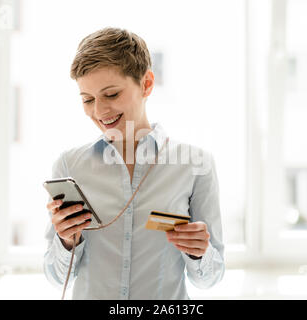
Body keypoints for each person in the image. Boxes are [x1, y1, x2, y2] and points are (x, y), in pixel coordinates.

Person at [44, 27, 224, 300]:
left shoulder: (195, 164)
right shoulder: (70, 166)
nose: (99, 111)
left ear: (147, 84)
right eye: (88, 100)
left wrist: (198, 251)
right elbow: (57, 279)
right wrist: (66, 241)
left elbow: (211, 279)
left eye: (112, 94)